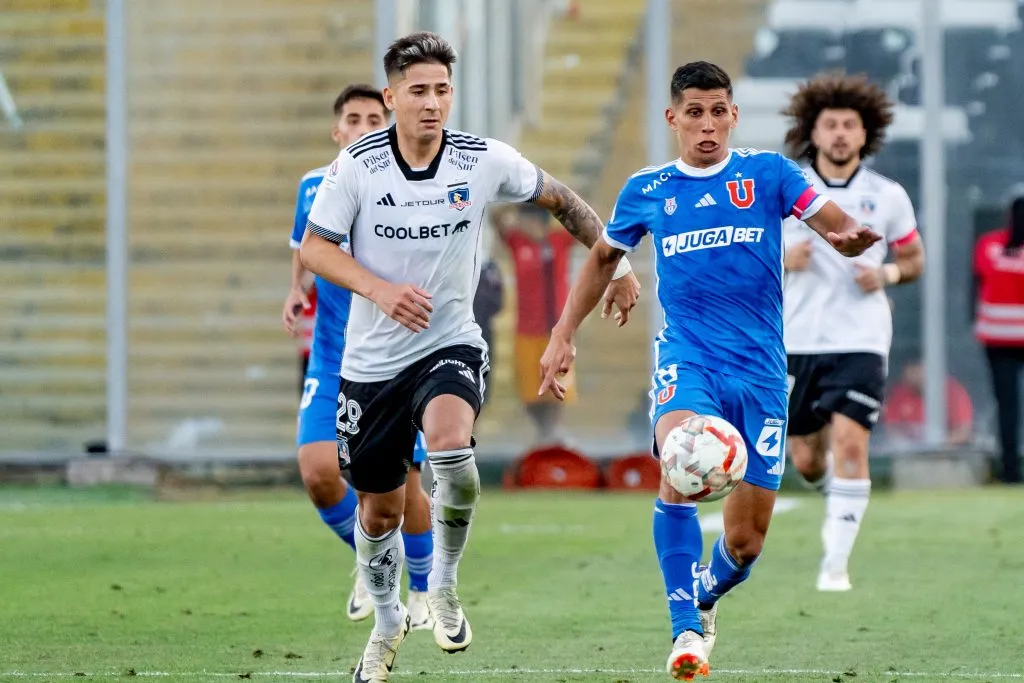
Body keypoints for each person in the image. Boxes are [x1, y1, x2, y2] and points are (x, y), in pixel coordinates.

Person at [299, 32, 641, 683]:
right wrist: (380, 290)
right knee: (379, 510)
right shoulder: (358, 168)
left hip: (449, 342)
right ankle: (386, 620)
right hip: (371, 366)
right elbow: (316, 248)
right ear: (392, 96)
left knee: (453, 449)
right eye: (419, 91)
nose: (432, 104)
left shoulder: (482, 160)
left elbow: (562, 198)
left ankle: (446, 585)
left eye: (442, 91)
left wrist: (614, 257)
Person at [538, 61, 880, 680]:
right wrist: (563, 335)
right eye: (694, 112)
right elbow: (603, 258)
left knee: (746, 544)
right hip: (688, 360)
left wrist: (849, 236)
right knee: (683, 460)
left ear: (733, 115)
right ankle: (684, 631)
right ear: (673, 118)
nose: (707, 125)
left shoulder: (767, 174)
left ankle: (705, 595)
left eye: (718, 111)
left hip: (761, 375)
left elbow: (830, 219)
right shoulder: (647, 188)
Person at [280, 84, 434, 633]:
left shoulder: (411, 186)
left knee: (404, 487)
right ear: (337, 131)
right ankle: (372, 560)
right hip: (332, 357)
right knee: (319, 471)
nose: (365, 127)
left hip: (398, 360)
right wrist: (296, 289)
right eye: (354, 119)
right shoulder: (312, 187)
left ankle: (423, 592)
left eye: (376, 118)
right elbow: (305, 247)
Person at [779, 73, 925, 592]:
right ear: (812, 133)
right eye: (831, 125)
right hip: (795, 342)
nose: (840, 134)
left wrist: (884, 274)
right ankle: (834, 496)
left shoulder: (887, 195)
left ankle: (834, 564)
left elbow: (913, 259)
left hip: (860, 339)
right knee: (805, 458)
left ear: (866, 135)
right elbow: (745, 255)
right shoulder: (784, 190)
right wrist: (781, 258)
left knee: (850, 442)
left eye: (850, 125)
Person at [499, 203, 578, 444]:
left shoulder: (559, 240)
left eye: (530, 218)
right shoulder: (517, 242)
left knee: (558, 387)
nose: (524, 223)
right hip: (526, 330)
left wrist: (555, 200)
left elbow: (585, 217)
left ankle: (556, 434)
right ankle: (544, 432)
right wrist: (523, 197)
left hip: (557, 331)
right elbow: (496, 217)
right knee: (529, 392)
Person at [972, 195, 1024, 484]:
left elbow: (980, 277)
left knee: (1008, 406)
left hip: (997, 336)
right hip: (1008, 336)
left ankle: (1010, 471)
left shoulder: (989, 245)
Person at [882, 359, 973, 446]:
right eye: (909, 371)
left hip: (947, 454)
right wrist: (911, 445)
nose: (911, 375)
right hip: (911, 454)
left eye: (916, 370)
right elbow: (892, 429)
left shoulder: (953, 391)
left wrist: (938, 445)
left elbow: (963, 432)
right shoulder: (900, 392)